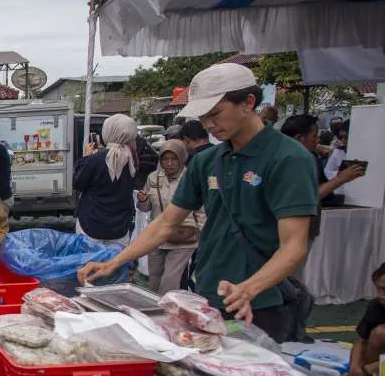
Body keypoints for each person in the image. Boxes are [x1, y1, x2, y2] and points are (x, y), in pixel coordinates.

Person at [80, 63, 318, 344]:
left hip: (262, 303)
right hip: (207, 294)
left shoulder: (288, 158)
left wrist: (249, 289)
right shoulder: (207, 161)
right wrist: (115, 262)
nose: (208, 124)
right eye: (203, 116)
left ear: (248, 102)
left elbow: (295, 246)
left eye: (215, 113)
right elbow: (166, 223)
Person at [281, 113, 365, 254]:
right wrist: (340, 179)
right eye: (314, 136)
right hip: (295, 229)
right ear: (300, 138)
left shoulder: (298, 157)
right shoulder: (296, 161)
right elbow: (308, 197)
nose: (317, 140)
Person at [136, 140, 203, 294]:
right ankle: (156, 312)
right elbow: (145, 208)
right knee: (154, 279)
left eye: (174, 159)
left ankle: (167, 311)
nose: (169, 163)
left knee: (169, 281)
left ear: (182, 158)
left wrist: (199, 231)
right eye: (165, 159)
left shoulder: (191, 178)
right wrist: (143, 200)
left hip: (184, 236)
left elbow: (202, 210)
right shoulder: (153, 178)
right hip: (158, 236)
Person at [74, 114, 139, 245]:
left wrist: (86, 158)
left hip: (91, 223)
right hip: (119, 226)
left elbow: (78, 183)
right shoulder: (132, 160)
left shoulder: (95, 160)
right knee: (115, 264)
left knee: (90, 263)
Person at [345, 263, 385, 376]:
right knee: (378, 334)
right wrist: (354, 368)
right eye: (378, 288)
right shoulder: (377, 305)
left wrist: (367, 370)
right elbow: (361, 341)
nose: (380, 295)